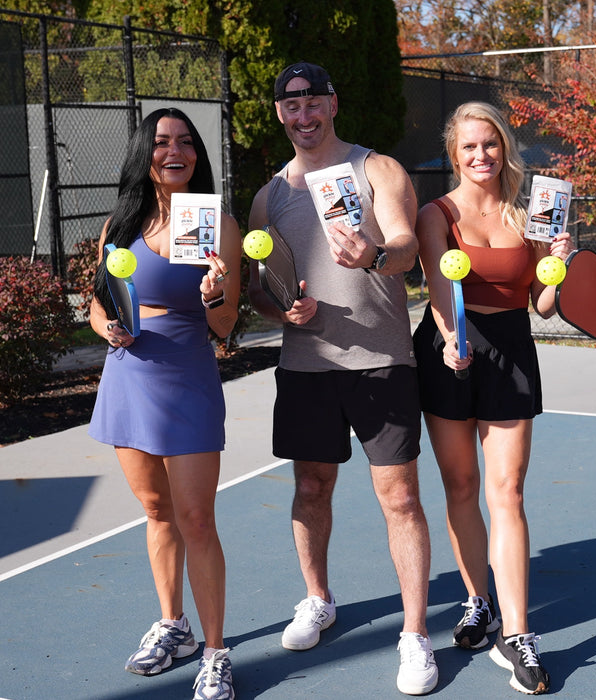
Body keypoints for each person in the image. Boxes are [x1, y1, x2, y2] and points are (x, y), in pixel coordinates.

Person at [246, 61, 439, 696]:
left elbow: (409, 248)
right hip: (307, 367)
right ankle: (318, 599)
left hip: (383, 365)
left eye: (313, 102)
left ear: (332, 104)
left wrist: (376, 255)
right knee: (310, 489)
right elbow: (261, 291)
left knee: (402, 500)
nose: (303, 115)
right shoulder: (269, 197)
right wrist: (284, 310)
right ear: (281, 114)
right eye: (290, 105)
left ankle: (414, 636)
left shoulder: (376, 169)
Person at [411, 101, 573, 696]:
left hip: (512, 351)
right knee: (460, 487)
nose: (482, 156)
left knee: (508, 490)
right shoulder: (436, 214)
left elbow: (542, 306)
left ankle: (520, 632)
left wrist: (554, 268)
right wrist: (452, 340)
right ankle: (478, 598)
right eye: (470, 147)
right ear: (455, 154)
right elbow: (435, 291)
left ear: (504, 149)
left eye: (491, 145)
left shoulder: (527, 216)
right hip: (450, 348)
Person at [88, 107, 241, 700]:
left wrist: (212, 294)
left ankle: (216, 651)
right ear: (143, 154)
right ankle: (172, 625)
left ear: (197, 156)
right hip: (128, 376)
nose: (173, 151)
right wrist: (106, 328)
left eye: (184, 142)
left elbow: (225, 325)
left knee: (197, 517)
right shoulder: (119, 224)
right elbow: (98, 303)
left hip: (187, 376)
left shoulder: (214, 223)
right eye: (160, 142)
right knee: (156, 511)